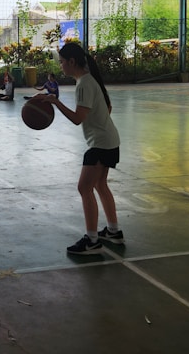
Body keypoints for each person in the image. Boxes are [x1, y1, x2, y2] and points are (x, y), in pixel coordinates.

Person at [41, 42, 122, 255]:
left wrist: (55, 103)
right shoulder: (90, 80)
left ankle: (92, 240)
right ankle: (113, 231)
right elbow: (108, 107)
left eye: (62, 62)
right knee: (100, 185)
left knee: (84, 188)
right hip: (110, 140)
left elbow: (78, 119)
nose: (60, 66)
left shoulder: (84, 83)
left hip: (101, 144)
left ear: (72, 62)